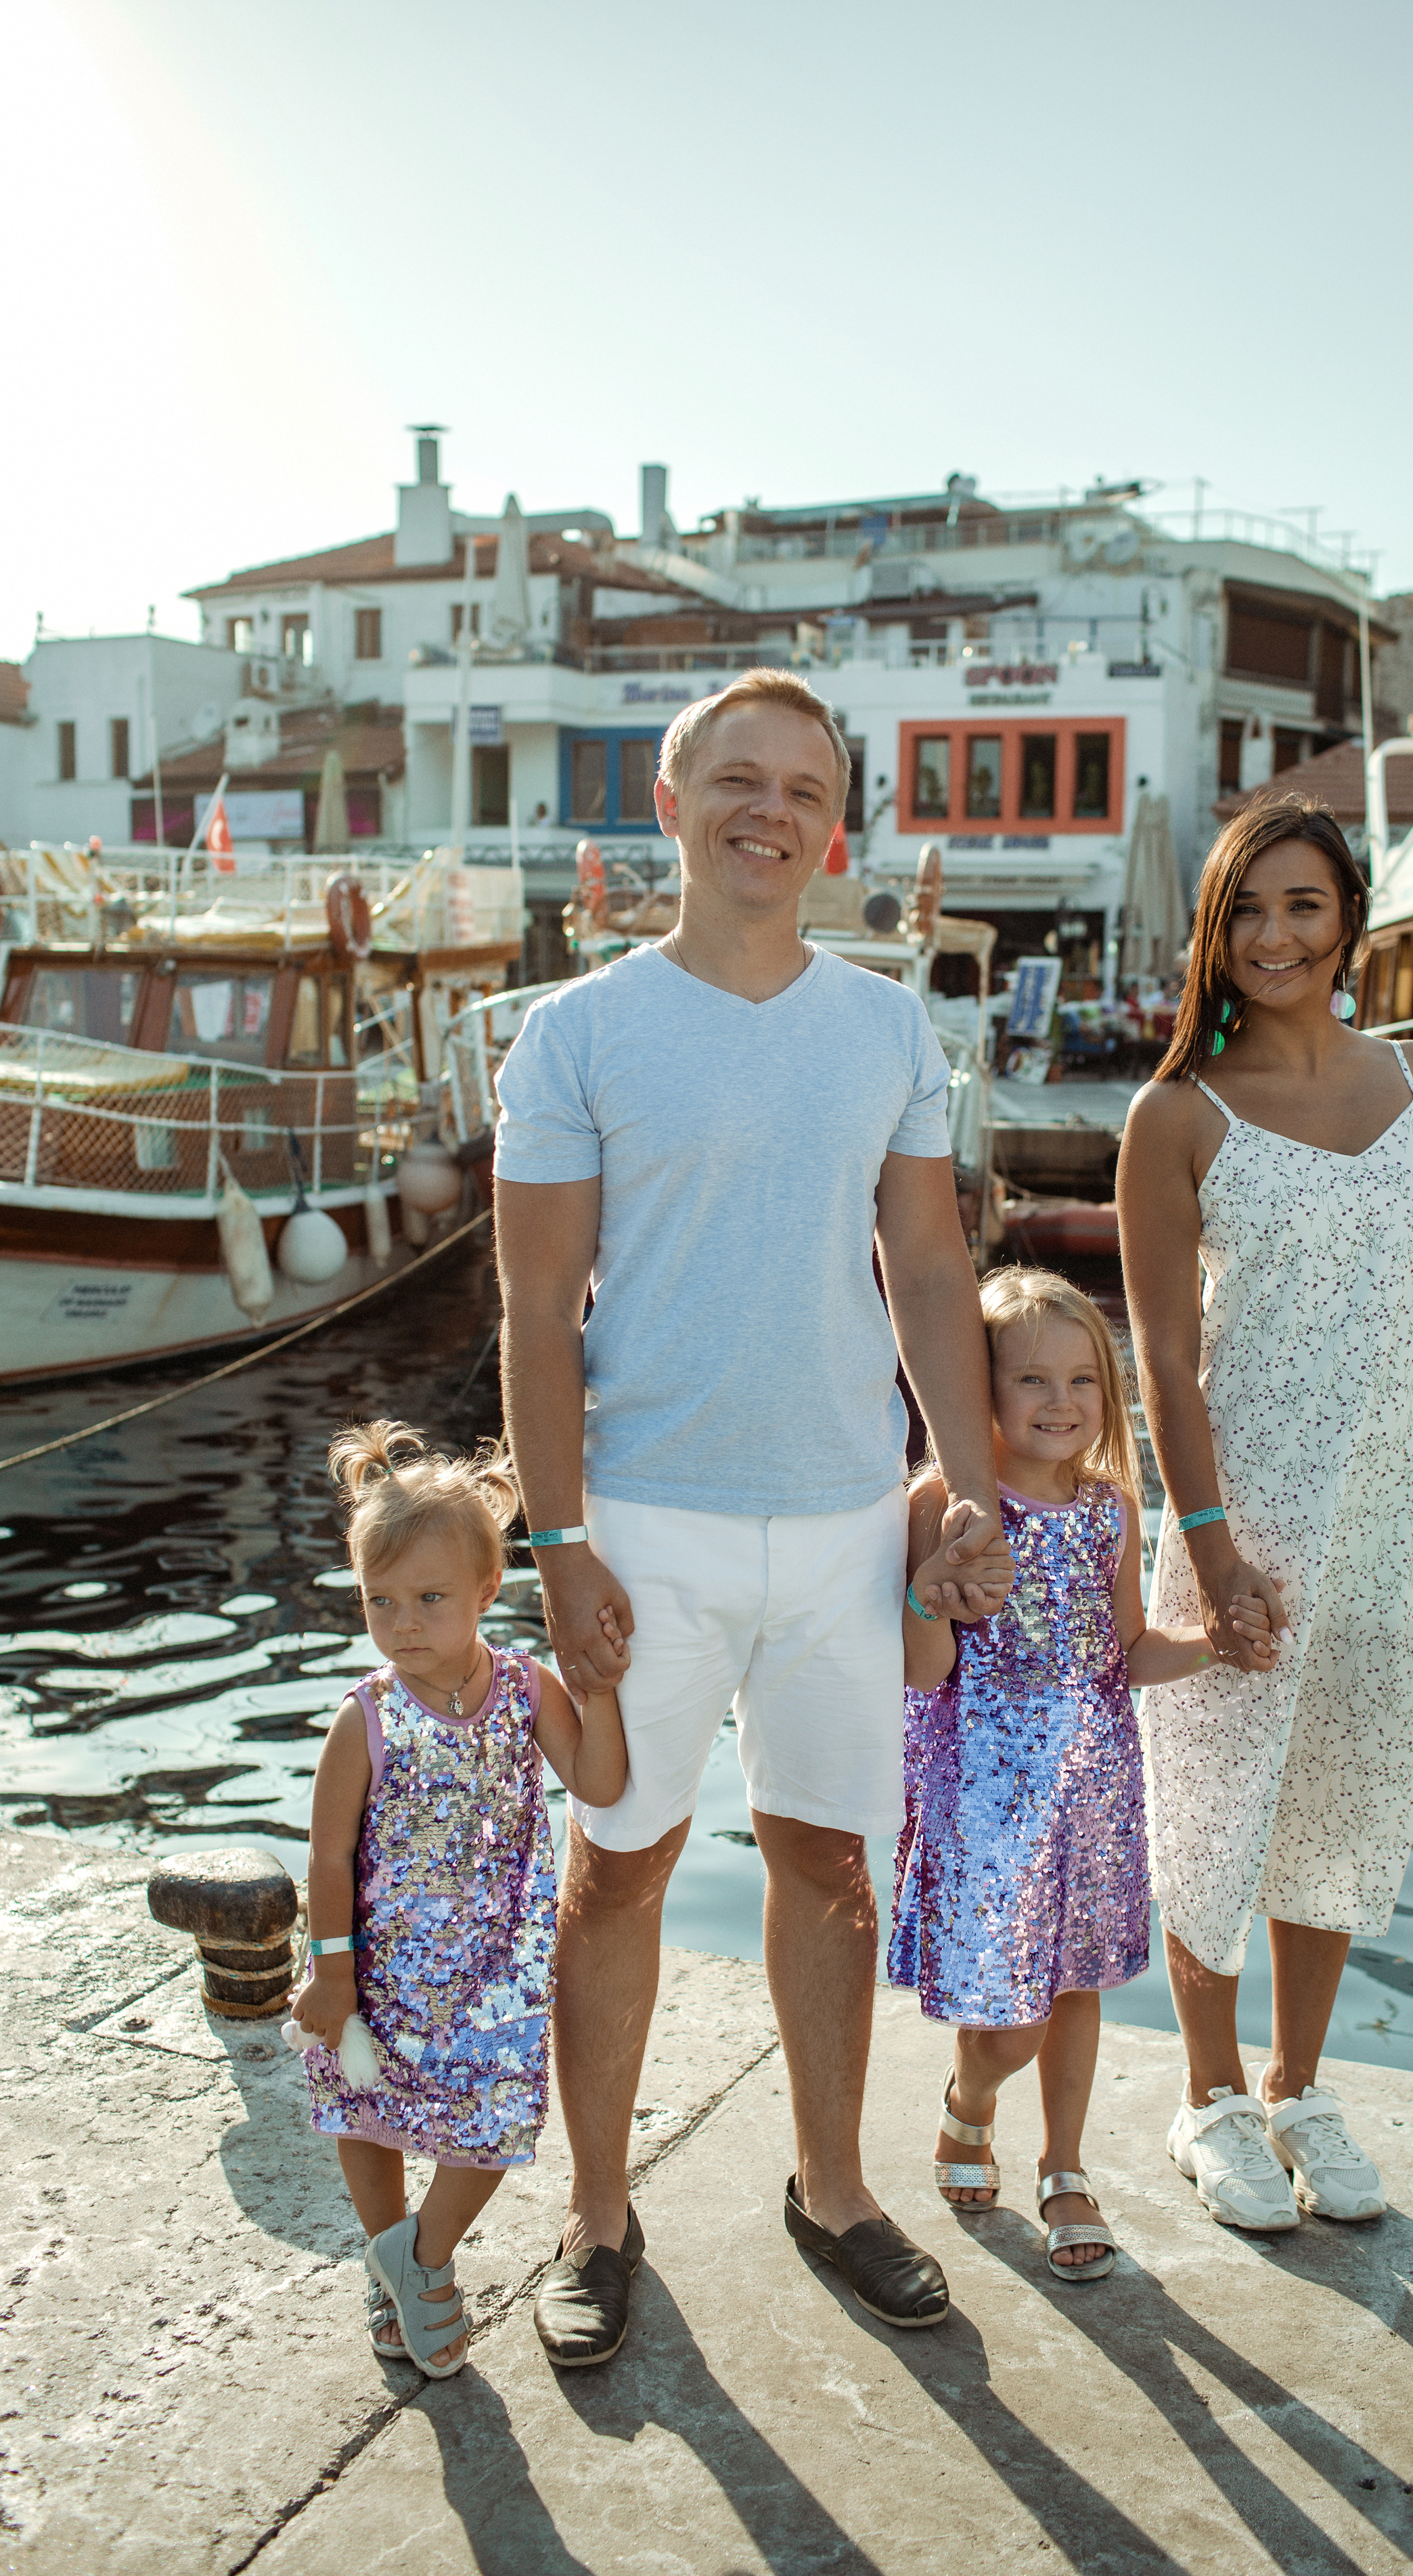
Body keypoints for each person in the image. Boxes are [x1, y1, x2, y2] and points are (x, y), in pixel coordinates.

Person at [492, 668, 1011, 2366]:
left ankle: (832, 2188)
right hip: (644, 1526)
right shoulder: (573, 1033)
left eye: (800, 786)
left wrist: (971, 1487)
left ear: (832, 826)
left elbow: (928, 1270)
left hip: (852, 1519)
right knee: (616, 1873)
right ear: (670, 801)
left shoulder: (882, 1028)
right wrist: (558, 1548)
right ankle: (594, 2211)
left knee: (829, 1865)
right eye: (735, 778)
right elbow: (534, 1310)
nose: (766, 810)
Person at [1117, 786, 1413, 2234]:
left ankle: (1300, 2087)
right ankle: (1209, 2099)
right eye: (1246, 909)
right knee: (1217, 1804)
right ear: (1212, 934)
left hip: (1392, 1512)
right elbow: (1162, 1357)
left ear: (1347, 917)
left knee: (1344, 1799)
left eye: (1301, 903)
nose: (1274, 934)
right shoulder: (1175, 1114)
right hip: (1250, 1515)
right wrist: (1209, 1549)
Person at [889, 1268, 1273, 2280]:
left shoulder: (1109, 1510)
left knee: (1078, 1986)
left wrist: (1214, 1647)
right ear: (978, 1392)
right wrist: (929, 1600)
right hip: (984, 1796)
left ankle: (1064, 2166)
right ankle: (972, 2102)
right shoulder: (945, 1503)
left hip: (1094, 1790)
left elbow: (1123, 1653)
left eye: (1081, 1383)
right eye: (1030, 1381)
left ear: (1107, 1393)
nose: (1060, 1404)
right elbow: (922, 1676)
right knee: (1007, 2020)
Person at [290, 1421, 626, 2378]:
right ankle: (387, 2254)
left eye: (430, 1599)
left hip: (490, 1977)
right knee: (369, 2113)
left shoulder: (527, 1689)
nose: (402, 1623)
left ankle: (420, 2256)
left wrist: (597, 1689)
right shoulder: (366, 1719)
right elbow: (329, 1855)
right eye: (379, 1601)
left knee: (490, 2127)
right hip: (381, 1975)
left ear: (487, 1591)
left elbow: (597, 1786)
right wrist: (333, 1974)